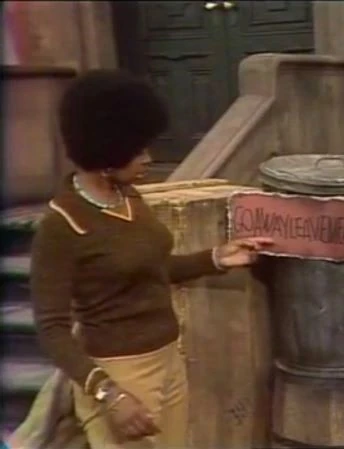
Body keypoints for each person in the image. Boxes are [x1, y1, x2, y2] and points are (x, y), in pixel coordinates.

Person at [30, 69, 273, 449]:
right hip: (120, 376)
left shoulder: (128, 197)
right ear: (108, 153)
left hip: (168, 362)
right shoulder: (61, 225)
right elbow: (52, 329)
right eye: (139, 150)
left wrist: (217, 258)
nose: (149, 158)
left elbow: (152, 269)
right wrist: (109, 394)